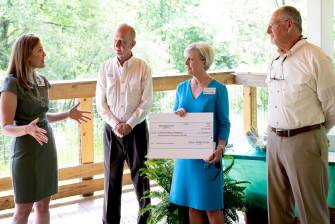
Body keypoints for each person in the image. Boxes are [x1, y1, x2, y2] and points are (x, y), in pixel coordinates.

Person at [0, 34, 90, 224]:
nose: (45, 54)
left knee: (43, 205)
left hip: (46, 149)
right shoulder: (12, 83)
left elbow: (41, 119)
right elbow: (6, 127)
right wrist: (27, 130)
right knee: (23, 211)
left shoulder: (41, 81)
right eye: (39, 50)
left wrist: (67, 114)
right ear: (26, 56)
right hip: (25, 152)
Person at [266, 6, 335, 224]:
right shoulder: (275, 61)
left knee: (311, 211)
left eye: (272, 26)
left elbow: (333, 104)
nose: (268, 31)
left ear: (289, 24)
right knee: (276, 211)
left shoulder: (316, 57)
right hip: (274, 141)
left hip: (305, 141)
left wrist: (313, 133)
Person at [96, 23, 153, 224]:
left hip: (136, 129)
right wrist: (115, 124)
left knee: (141, 178)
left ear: (132, 44)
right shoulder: (105, 67)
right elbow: (100, 103)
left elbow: (146, 102)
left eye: (123, 41)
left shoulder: (142, 67)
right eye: (115, 40)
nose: (117, 44)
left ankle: (145, 221)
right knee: (111, 180)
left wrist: (129, 123)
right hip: (111, 131)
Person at [169, 42, 230, 224]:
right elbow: (174, 119)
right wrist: (178, 114)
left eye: (190, 59)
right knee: (193, 206)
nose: (186, 63)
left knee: (212, 208)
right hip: (186, 158)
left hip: (208, 157)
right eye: (185, 59)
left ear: (204, 61)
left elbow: (224, 124)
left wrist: (220, 149)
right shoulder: (181, 88)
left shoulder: (218, 89)